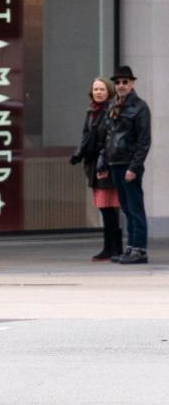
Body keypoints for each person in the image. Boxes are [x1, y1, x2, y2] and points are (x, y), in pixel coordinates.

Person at [99, 66, 151, 264]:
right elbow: (107, 136)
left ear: (132, 84)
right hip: (115, 162)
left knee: (135, 207)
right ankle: (131, 247)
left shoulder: (140, 107)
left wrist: (134, 167)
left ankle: (140, 249)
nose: (121, 85)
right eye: (118, 82)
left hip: (129, 164)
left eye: (125, 82)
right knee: (127, 208)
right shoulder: (113, 106)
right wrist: (103, 163)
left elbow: (143, 141)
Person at [69, 77, 122, 261]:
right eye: (95, 89)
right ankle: (112, 248)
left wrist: (104, 162)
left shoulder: (111, 111)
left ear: (109, 92)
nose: (98, 92)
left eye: (102, 89)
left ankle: (113, 248)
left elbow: (111, 139)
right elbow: (86, 136)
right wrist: (78, 153)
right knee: (105, 208)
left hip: (104, 165)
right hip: (93, 164)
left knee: (109, 208)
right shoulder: (91, 112)